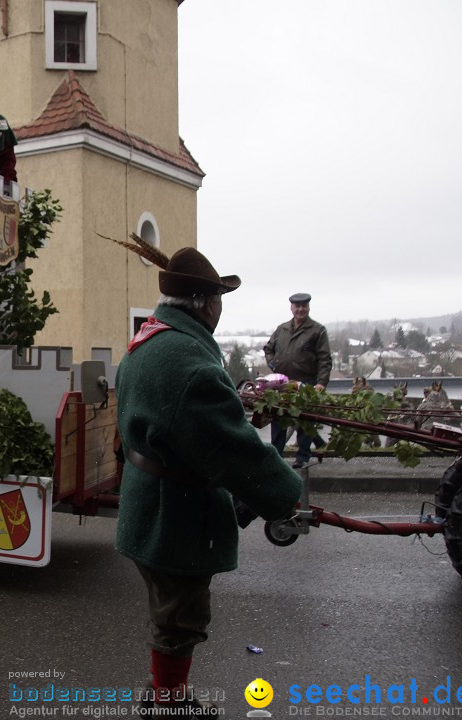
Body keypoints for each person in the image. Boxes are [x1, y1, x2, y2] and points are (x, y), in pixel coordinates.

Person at [113, 245, 301, 714]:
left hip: (149, 501)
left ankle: (164, 694)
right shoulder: (188, 362)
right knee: (180, 616)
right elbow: (232, 449)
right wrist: (285, 493)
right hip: (173, 514)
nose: (220, 306)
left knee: (170, 611)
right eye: (218, 297)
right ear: (203, 303)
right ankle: (168, 703)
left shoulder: (151, 339)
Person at [263, 292, 332, 469]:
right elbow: (268, 348)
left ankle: (302, 457)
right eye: (297, 306)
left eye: (304, 306)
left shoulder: (317, 330)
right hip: (282, 384)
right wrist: (273, 364)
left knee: (304, 421)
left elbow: (325, 358)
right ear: (291, 308)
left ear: (308, 307)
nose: (300, 309)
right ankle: (276, 456)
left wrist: (321, 383)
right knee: (278, 419)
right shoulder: (282, 329)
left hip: (306, 381)